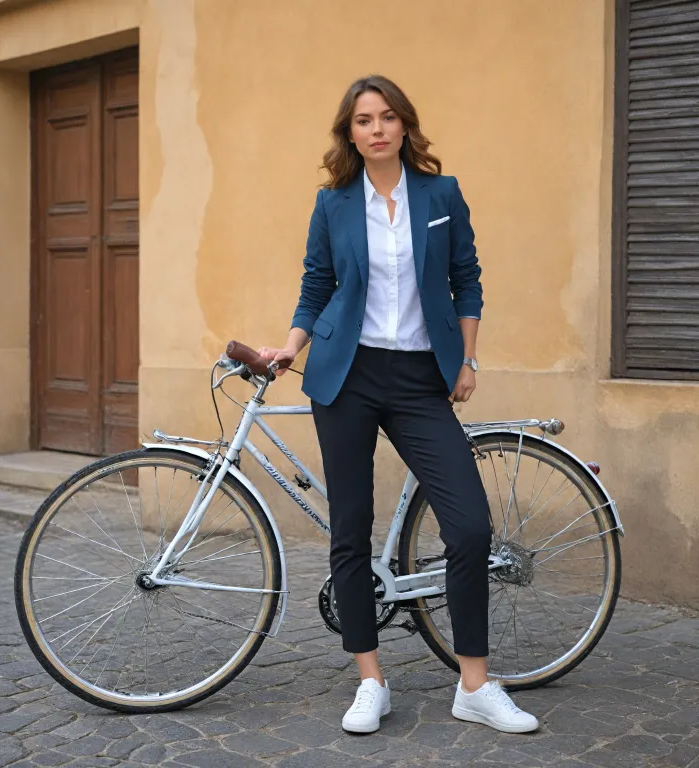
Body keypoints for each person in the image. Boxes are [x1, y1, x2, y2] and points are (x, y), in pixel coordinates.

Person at [258, 75, 538, 736]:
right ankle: (370, 680)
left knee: (469, 526)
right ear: (350, 132)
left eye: (387, 117)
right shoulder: (333, 204)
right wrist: (291, 346)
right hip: (344, 375)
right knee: (350, 530)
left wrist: (467, 360)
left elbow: (465, 277)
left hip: (419, 378)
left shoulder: (440, 194)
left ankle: (474, 684)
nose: (376, 128)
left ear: (405, 126)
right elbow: (317, 284)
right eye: (363, 119)